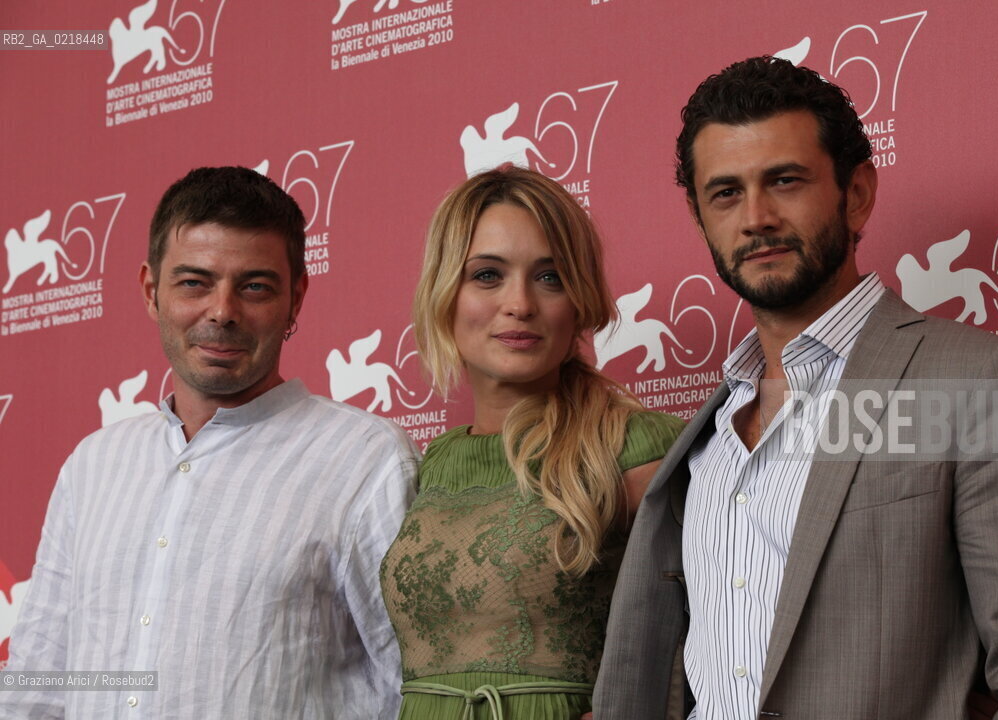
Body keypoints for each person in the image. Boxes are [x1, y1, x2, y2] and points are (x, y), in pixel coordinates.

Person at [592, 57, 998, 719]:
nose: (756, 217)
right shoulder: (707, 431)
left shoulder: (976, 381)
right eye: (726, 193)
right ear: (700, 214)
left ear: (856, 194)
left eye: (785, 181)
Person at [2, 166, 419, 718]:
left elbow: (414, 687)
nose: (222, 312)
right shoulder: (94, 465)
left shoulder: (368, 461)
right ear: (152, 291)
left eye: (254, 286)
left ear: (296, 298)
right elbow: (42, 682)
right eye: (194, 282)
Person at [379, 166, 684, 719]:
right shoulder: (435, 462)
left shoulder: (636, 443)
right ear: (446, 291)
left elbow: (734, 618)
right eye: (488, 275)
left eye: (550, 277)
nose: (519, 303)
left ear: (579, 300)